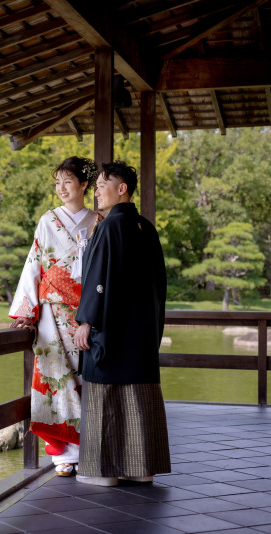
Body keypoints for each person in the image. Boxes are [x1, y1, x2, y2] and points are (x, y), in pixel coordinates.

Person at [73, 160, 171, 487]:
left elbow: (98, 279)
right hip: (141, 332)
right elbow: (159, 284)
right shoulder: (145, 227)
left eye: (101, 185)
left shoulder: (110, 226)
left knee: (106, 398)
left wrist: (86, 319)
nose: (97, 192)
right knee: (138, 399)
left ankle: (105, 472)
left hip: (111, 330)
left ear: (121, 189)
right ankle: (142, 468)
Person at [9, 156, 101, 477]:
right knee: (55, 375)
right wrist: (26, 311)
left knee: (84, 376)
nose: (61, 189)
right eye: (57, 183)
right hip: (51, 313)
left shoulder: (97, 222)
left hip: (86, 310)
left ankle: (87, 447)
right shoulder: (48, 221)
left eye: (68, 182)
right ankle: (63, 454)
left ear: (84, 185)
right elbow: (34, 265)